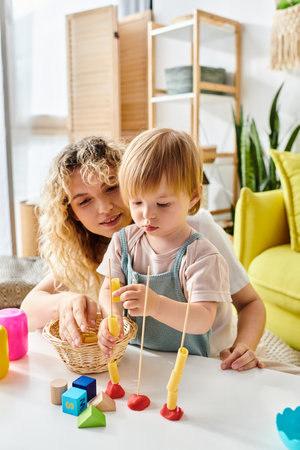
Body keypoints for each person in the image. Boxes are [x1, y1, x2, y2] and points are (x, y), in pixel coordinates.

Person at [21, 135, 265, 371]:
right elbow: (27, 310)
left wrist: (243, 347)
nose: (104, 208)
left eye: (112, 187)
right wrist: (65, 301)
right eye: (84, 201)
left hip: (208, 363)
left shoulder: (196, 230)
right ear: (72, 212)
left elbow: (250, 303)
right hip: (145, 364)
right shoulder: (100, 246)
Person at [97, 128, 232, 358]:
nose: (147, 215)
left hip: (189, 364)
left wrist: (156, 305)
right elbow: (109, 288)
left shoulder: (201, 255)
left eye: (162, 204)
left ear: (193, 196)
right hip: (138, 359)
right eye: (137, 202)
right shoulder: (123, 242)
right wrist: (113, 316)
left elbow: (202, 319)